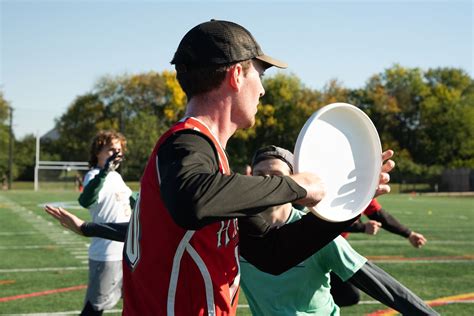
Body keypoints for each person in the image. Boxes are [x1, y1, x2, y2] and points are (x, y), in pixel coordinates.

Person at [119, 19, 394, 315]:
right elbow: (192, 199)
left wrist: (349, 204)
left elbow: (272, 253)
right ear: (237, 74)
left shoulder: (211, 164)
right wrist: (296, 186)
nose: (262, 90)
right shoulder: (187, 143)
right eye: (260, 74)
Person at [43, 146, 435, 316]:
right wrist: (87, 227)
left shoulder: (312, 235)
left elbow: (382, 284)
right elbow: (147, 230)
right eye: (260, 176)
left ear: (294, 181)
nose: (267, 182)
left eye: (276, 176)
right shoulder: (233, 230)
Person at [331, 198, 428, 307]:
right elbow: (324, 221)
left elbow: (379, 215)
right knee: (347, 295)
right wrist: (362, 227)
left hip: (330, 247)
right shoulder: (340, 187)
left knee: (348, 296)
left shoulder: (362, 190)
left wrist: (409, 234)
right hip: (317, 247)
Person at [78, 130, 132, 316]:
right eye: (111, 150)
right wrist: (104, 172)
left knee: (136, 303)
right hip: (107, 254)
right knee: (94, 309)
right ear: (97, 153)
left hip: (127, 252)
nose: (116, 154)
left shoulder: (116, 177)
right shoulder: (94, 176)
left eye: (119, 150)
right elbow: (85, 200)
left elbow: (133, 201)